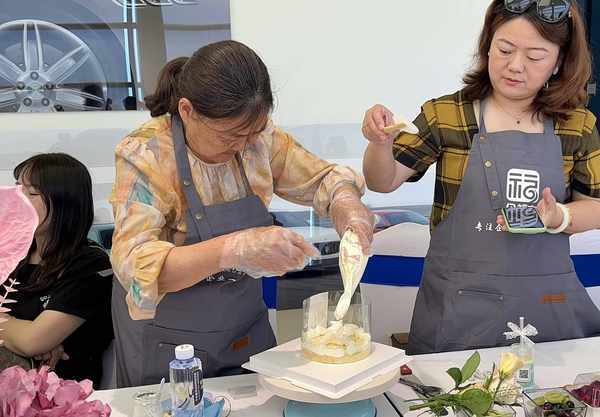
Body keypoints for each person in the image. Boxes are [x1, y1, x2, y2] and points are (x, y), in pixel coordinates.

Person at [110, 40, 374, 387]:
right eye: (230, 136)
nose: (242, 145)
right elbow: (135, 265)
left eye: (252, 133)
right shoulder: (146, 154)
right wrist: (233, 249)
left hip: (242, 329)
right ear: (187, 111)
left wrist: (348, 206)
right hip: (169, 341)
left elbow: (324, 178)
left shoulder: (257, 139)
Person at [362, 0, 600, 354]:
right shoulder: (446, 115)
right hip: (458, 310)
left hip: (548, 307)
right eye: (504, 49)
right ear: (487, 45)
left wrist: (558, 216)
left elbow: (595, 206)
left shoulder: (577, 125)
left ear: (559, 62)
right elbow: (383, 181)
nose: (515, 66)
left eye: (535, 57)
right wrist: (379, 144)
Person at [1, 153, 114, 387]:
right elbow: (32, 341)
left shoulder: (90, 263)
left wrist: (32, 342)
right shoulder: (15, 251)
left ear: (65, 202)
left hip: (62, 393)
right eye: (17, 189)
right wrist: (20, 337)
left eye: (31, 193)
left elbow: (32, 341)